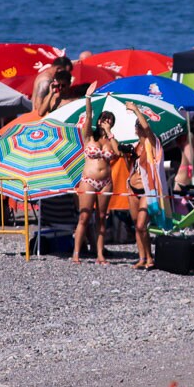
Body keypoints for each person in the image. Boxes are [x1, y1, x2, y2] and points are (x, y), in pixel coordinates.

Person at [73, 96, 118, 264]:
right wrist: (88, 99)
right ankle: (76, 253)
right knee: (84, 216)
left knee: (101, 217)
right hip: (89, 179)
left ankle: (100, 254)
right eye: (104, 118)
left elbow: (118, 153)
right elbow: (88, 115)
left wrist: (110, 133)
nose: (106, 121)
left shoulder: (111, 139)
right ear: (98, 120)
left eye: (110, 120)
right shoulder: (89, 136)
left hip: (106, 181)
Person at [126, 101, 165, 269]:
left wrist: (136, 110)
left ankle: (149, 257)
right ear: (136, 130)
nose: (140, 128)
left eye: (141, 125)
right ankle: (143, 258)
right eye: (138, 126)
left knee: (142, 224)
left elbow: (148, 129)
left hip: (147, 189)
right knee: (138, 227)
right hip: (132, 188)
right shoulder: (136, 147)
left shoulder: (152, 142)